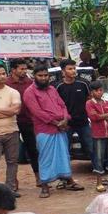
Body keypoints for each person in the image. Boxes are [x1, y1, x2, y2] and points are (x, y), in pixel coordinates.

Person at [22, 64, 84, 197]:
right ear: (34, 76)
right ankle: (44, 186)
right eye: (40, 75)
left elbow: (62, 105)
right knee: (46, 158)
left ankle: (68, 180)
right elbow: (37, 112)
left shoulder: (52, 89)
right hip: (45, 129)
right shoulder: (29, 92)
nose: (44, 78)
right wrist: (56, 122)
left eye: (46, 75)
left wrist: (66, 119)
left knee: (64, 156)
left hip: (61, 128)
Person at [0, 64, 21, 196]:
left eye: (3, 74)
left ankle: (10, 190)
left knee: (12, 161)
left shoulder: (13, 92)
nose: (2, 76)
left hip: (11, 131)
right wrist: (8, 112)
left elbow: (16, 110)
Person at [56, 58, 93, 164]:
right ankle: (66, 175)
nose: (73, 71)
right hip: (67, 124)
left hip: (83, 122)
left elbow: (89, 99)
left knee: (91, 148)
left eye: (74, 68)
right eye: (70, 69)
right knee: (65, 150)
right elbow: (56, 105)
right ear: (63, 71)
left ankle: (98, 170)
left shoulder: (83, 84)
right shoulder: (58, 87)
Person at [6, 59, 37, 182]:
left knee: (34, 150)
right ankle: (13, 181)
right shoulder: (6, 84)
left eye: (25, 69)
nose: (24, 71)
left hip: (28, 121)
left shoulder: (30, 82)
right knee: (12, 154)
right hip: (11, 121)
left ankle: (39, 178)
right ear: (13, 70)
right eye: (22, 69)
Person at [84, 80, 108, 192]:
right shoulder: (89, 103)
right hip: (98, 135)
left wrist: (102, 116)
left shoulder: (107, 102)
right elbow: (93, 117)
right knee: (98, 158)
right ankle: (99, 182)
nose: (100, 92)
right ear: (92, 92)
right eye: (97, 91)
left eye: (101, 90)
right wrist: (106, 115)